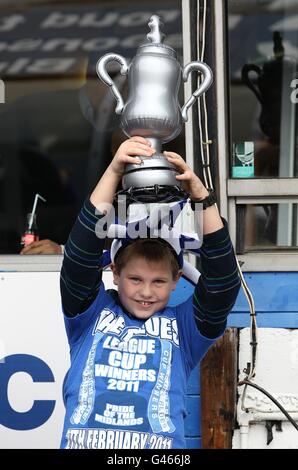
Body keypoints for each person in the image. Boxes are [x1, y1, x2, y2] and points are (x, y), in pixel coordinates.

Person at [59, 136, 241, 449]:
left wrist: (201, 198)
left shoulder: (186, 330)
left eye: (158, 282)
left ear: (177, 279)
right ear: (114, 273)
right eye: (135, 279)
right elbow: (78, 257)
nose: (146, 292)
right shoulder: (88, 314)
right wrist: (115, 170)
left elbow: (223, 281)